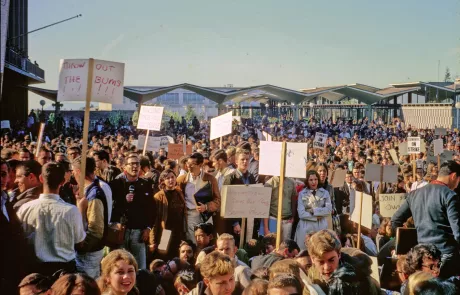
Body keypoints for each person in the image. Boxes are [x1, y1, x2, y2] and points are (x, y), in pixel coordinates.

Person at [391, 160, 460, 278]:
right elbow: (458, 232)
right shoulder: (449, 195)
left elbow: (395, 220)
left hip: (423, 257)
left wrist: (403, 247)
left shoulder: (414, 194)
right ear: (454, 176)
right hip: (446, 256)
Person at [16, 162, 86, 275]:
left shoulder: (25, 208)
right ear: (63, 182)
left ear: (41, 179)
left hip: (36, 270)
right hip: (62, 270)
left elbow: (19, 240)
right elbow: (80, 242)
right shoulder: (72, 211)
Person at [110, 153, 155, 270]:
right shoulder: (116, 184)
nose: (135, 167)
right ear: (125, 167)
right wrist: (122, 200)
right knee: (120, 266)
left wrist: (148, 228)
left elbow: (152, 208)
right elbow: (110, 206)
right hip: (121, 232)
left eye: (137, 164)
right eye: (131, 164)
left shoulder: (146, 184)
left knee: (140, 269)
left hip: (138, 233)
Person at [306, 229, 381, 295]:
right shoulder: (312, 275)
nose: (326, 267)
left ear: (339, 255)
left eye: (331, 260)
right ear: (312, 259)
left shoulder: (358, 278)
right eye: (321, 262)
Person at [72, 156, 110, 278]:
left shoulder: (94, 195)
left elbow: (96, 230)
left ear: (78, 172)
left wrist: (82, 246)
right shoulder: (88, 190)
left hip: (89, 255)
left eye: (73, 172)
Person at [176, 152, 221, 243]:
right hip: (190, 215)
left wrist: (207, 207)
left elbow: (218, 201)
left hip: (206, 216)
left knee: (206, 242)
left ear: (200, 165)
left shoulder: (211, 179)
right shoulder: (181, 180)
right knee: (192, 242)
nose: (189, 166)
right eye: (188, 163)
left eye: (192, 164)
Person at [150, 169, 186, 260]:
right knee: (163, 257)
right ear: (163, 181)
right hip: (165, 233)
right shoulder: (159, 196)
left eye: (173, 177)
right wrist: (152, 240)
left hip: (179, 231)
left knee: (177, 258)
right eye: (168, 178)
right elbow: (154, 220)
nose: (171, 180)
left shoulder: (179, 193)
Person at [294, 170, 332, 250]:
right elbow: (301, 213)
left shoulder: (325, 193)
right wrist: (315, 217)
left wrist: (314, 211)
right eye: (311, 180)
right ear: (307, 181)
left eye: (315, 179)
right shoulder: (302, 194)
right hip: (306, 226)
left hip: (320, 225)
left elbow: (328, 210)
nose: (313, 182)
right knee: (304, 250)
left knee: (320, 249)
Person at [261, 175, 297, 241]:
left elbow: (293, 199)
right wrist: (266, 227)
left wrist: (293, 216)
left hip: (287, 220)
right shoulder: (269, 183)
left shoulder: (291, 182)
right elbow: (265, 206)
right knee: (272, 243)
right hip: (273, 218)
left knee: (286, 244)